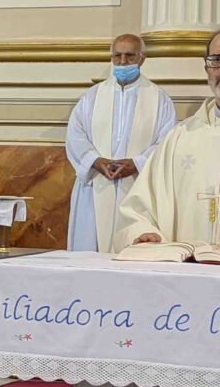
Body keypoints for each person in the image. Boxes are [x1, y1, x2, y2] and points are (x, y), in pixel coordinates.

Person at [65, 34, 176, 252]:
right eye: (117, 56)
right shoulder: (92, 97)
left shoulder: (159, 99)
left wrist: (137, 162)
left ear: (142, 58)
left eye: (129, 56)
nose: (123, 62)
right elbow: (75, 135)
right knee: (90, 253)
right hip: (97, 185)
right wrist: (96, 161)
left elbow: (167, 142)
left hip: (137, 184)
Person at [116, 29, 220, 249]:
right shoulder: (180, 138)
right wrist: (143, 232)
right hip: (187, 275)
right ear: (207, 69)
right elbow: (138, 209)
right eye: (217, 60)